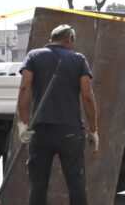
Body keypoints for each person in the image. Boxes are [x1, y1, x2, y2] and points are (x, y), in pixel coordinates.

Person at [16, 24, 99, 205]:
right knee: (76, 182)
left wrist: (22, 123)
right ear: (69, 38)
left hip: (40, 129)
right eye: (73, 40)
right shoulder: (78, 59)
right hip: (70, 130)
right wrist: (93, 129)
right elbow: (87, 95)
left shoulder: (34, 56)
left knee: (38, 184)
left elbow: (24, 87)